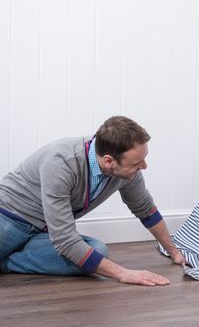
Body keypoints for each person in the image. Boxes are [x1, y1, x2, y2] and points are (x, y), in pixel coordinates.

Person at [0, 116, 186, 286]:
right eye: (137, 164)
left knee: (97, 251)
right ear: (108, 161)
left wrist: (174, 252)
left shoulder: (127, 171)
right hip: (9, 219)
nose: (143, 167)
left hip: (44, 231)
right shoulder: (61, 162)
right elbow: (65, 239)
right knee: (84, 256)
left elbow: (146, 210)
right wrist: (123, 273)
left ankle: (6, 262)